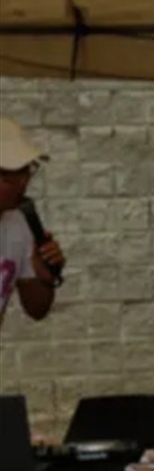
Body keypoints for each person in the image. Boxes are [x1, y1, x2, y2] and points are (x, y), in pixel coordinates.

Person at [0, 118, 65, 333]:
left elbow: (37, 309)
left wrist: (44, 277)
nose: (24, 182)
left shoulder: (19, 224)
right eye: (12, 174)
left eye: (27, 170)